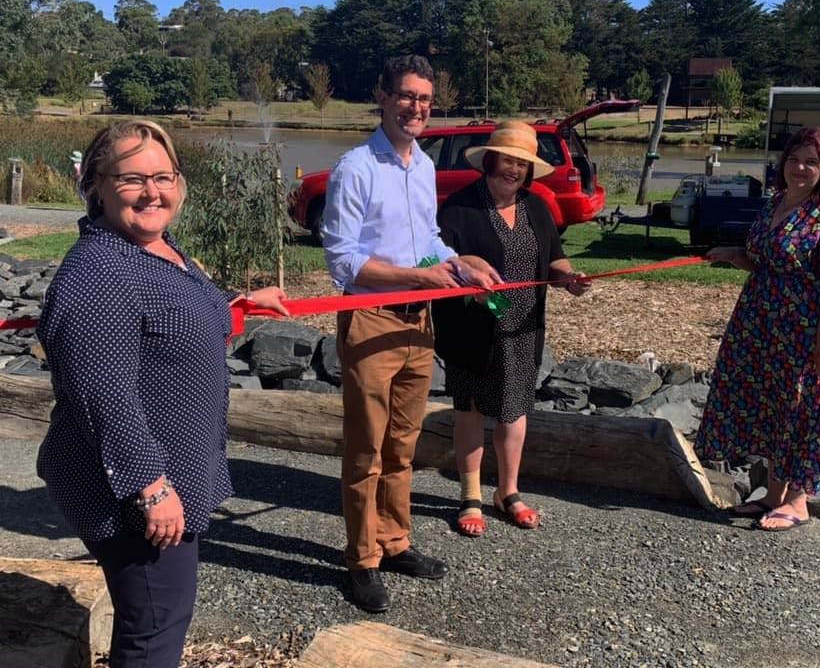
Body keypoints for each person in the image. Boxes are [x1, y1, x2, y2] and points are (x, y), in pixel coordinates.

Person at [37, 120, 288, 667]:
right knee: (153, 628)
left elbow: (165, 314)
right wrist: (150, 488)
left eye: (163, 176)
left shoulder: (155, 250)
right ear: (96, 185)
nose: (152, 192)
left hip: (165, 475)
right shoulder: (98, 273)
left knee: (160, 617)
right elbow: (104, 396)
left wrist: (237, 301)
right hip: (131, 492)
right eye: (131, 179)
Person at [321, 55, 499, 613]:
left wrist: (460, 261)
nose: (415, 107)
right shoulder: (355, 168)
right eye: (405, 96)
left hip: (420, 321)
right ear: (383, 97)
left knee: (403, 445)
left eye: (424, 98)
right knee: (366, 450)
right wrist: (419, 277)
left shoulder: (422, 165)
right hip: (371, 318)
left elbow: (427, 242)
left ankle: (395, 541)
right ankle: (362, 560)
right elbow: (342, 262)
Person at [694, 125, 820, 532]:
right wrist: (734, 254)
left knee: (805, 412)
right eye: (794, 159)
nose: (800, 168)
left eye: (811, 162)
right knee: (774, 410)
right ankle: (773, 494)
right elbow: (767, 260)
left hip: (807, 333)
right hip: (762, 328)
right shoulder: (776, 202)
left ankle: (798, 501)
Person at [432, 121, 591, 538]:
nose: (514, 170)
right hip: (471, 328)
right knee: (470, 411)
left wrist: (570, 278)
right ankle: (470, 496)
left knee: (514, 411)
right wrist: (467, 274)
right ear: (490, 160)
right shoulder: (460, 206)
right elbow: (439, 261)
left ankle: (508, 492)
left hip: (523, 329)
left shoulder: (536, 206)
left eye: (522, 164)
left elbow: (555, 258)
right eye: (507, 160)